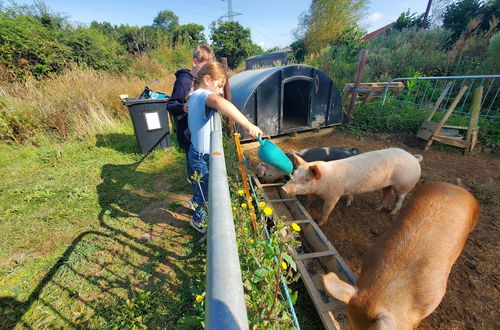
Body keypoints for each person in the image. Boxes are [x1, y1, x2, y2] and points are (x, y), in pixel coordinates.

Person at [187, 61, 263, 233]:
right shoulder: (204, 95)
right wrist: (247, 125)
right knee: (206, 189)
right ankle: (198, 219)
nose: (221, 91)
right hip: (202, 156)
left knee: (201, 184)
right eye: (220, 86)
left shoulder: (194, 95)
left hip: (197, 151)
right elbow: (222, 103)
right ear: (207, 79)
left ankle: (194, 201)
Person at [166, 44, 215, 182]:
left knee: (197, 160)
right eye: (204, 66)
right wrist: (184, 107)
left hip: (196, 130)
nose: (207, 71)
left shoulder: (199, 80)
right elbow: (170, 105)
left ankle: (196, 182)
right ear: (195, 62)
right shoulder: (183, 81)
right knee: (192, 160)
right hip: (187, 131)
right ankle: (193, 183)